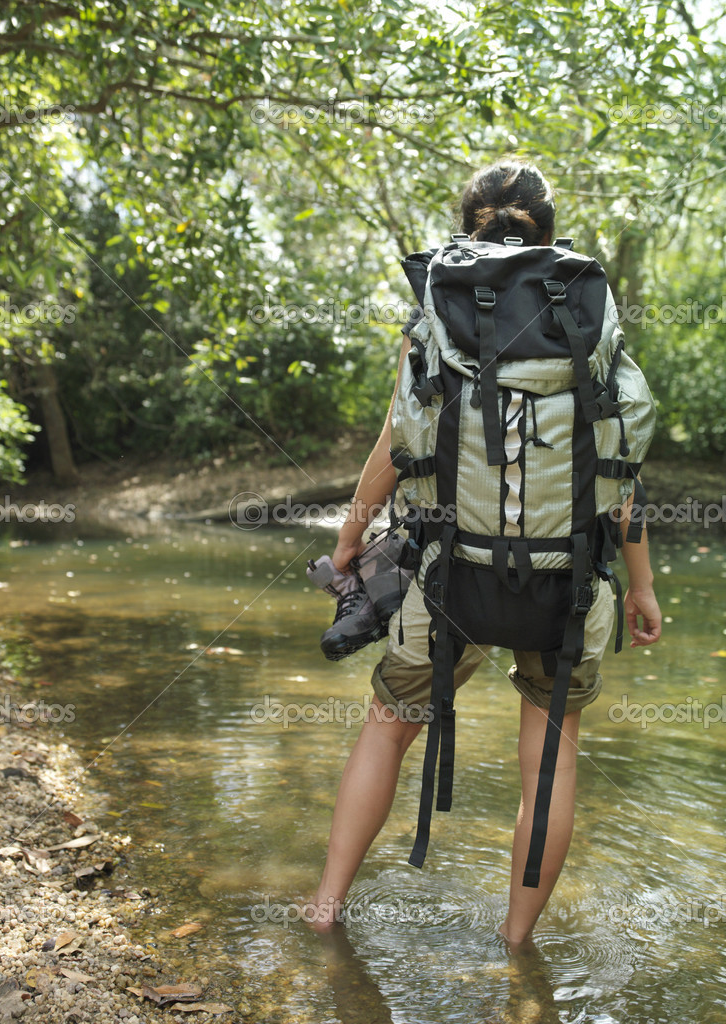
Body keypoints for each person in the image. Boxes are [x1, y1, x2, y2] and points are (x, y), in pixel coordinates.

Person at [306, 160, 662, 946]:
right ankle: (516, 945)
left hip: (445, 574)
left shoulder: (439, 310)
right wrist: (640, 585)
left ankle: (326, 908)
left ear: (469, 223)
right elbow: (619, 467)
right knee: (551, 763)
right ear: (549, 227)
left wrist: (350, 535)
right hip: (566, 581)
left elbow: (394, 446)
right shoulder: (589, 316)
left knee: (389, 723)